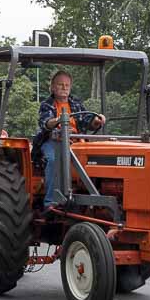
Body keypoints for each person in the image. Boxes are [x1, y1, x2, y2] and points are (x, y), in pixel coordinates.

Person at [36, 71, 106, 208]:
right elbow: (45, 123)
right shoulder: (47, 104)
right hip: (54, 141)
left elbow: (88, 121)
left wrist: (97, 121)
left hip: (76, 141)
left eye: (67, 85)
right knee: (54, 159)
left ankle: (93, 196)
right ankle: (51, 201)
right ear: (53, 87)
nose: (64, 88)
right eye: (60, 85)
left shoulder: (76, 103)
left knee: (96, 159)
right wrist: (57, 121)